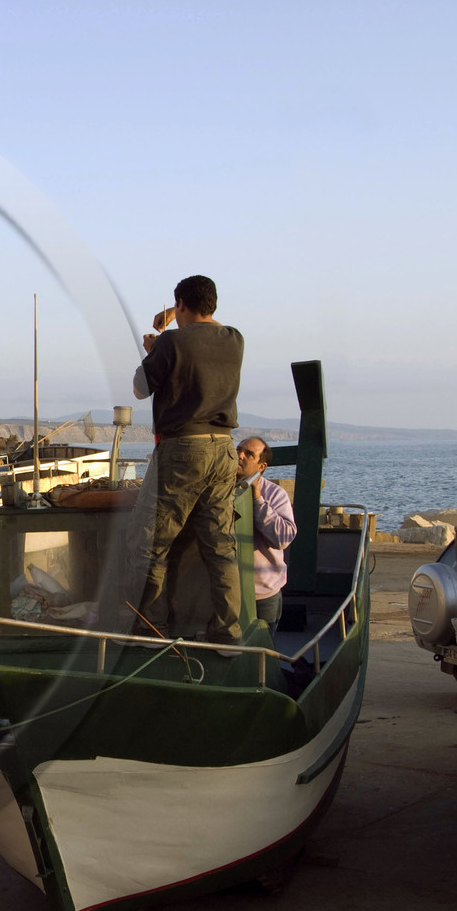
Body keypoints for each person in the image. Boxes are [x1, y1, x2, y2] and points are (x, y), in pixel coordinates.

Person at [121, 274, 244, 645]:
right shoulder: (235, 340)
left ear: (183, 306)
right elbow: (209, 328)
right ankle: (228, 632)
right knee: (220, 546)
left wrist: (153, 349)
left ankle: (151, 628)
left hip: (183, 449)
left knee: (148, 543)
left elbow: (141, 389)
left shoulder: (171, 342)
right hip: (224, 449)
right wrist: (182, 313)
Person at [236, 436, 296, 627]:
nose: (240, 455)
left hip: (263, 593)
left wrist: (258, 500)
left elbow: (283, 538)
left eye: (249, 454)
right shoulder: (218, 489)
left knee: (264, 645)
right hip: (226, 591)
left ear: (261, 466)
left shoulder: (276, 494)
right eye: (239, 449)